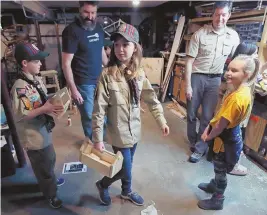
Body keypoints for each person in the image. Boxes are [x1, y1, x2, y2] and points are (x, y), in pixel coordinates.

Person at [92, 23, 170, 206]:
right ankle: (103, 184)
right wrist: (98, 138)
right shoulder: (106, 75)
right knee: (124, 169)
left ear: (135, 47)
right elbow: (99, 109)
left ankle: (126, 191)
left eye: (125, 44)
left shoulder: (139, 73)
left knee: (129, 163)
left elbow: (151, 99)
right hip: (118, 133)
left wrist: (161, 121)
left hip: (134, 130)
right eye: (116, 45)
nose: (120, 49)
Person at [197, 55, 259, 210]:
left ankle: (218, 198)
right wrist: (210, 127)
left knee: (220, 169)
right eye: (228, 69)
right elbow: (220, 118)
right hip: (230, 134)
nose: (228, 73)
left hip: (226, 139)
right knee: (219, 167)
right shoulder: (241, 90)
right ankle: (214, 185)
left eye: (234, 70)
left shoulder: (237, 98)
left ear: (247, 74)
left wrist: (208, 135)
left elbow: (220, 126)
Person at [11, 43, 65, 209]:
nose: (41, 63)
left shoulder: (35, 79)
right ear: (25, 63)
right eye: (37, 61)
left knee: (49, 160)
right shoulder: (20, 87)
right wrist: (45, 108)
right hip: (33, 137)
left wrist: (54, 103)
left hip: (42, 130)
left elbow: (41, 99)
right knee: (43, 166)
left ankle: (49, 181)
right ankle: (51, 194)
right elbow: (23, 114)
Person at [185, 1, 240, 163]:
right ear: (213, 15)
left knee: (208, 116)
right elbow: (189, 62)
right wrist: (187, 85)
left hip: (215, 80)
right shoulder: (200, 34)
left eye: (223, 15)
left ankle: (200, 147)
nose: (220, 18)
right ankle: (193, 140)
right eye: (217, 14)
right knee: (191, 113)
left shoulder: (233, 37)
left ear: (228, 15)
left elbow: (236, 61)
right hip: (197, 77)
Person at [62, 1, 108, 140]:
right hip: (83, 83)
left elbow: (102, 53)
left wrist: (111, 70)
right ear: (79, 11)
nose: (90, 16)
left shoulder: (98, 28)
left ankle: (102, 140)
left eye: (93, 13)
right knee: (89, 115)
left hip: (100, 79)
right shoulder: (71, 31)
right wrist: (73, 89)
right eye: (86, 12)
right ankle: (92, 142)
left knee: (103, 113)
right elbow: (66, 63)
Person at [222, 42, 258, 176]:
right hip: (237, 118)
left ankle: (228, 161)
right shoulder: (242, 79)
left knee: (231, 138)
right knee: (233, 140)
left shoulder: (237, 76)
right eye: (254, 53)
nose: (256, 56)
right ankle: (231, 165)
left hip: (236, 116)